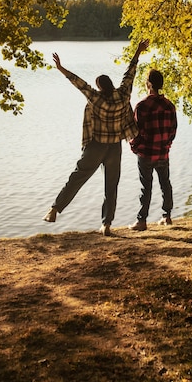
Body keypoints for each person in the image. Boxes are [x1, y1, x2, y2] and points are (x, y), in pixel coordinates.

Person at [43, 39, 149, 236]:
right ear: (111, 84)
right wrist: (138, 51)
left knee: (77, 177)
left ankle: (54, 210)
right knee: (111, 186)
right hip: (115, 148)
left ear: (99, 87)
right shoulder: (123, 94)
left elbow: (79, 83)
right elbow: (130, 73)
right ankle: (106, 224)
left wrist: (61, 68)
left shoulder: (96, 98)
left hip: (96, 147)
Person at [129, 69, 177, 231]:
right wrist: (166, 145)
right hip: (163, 152)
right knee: (165, 184)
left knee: (146, 187)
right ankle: (167, 216)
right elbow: (173, 130)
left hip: (146, 153)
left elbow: (136, 132)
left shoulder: (142, 106)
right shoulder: (169, 105)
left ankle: (142, 221)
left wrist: (134, 146)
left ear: (149, 84)